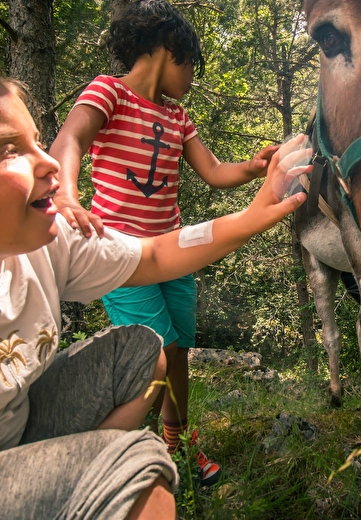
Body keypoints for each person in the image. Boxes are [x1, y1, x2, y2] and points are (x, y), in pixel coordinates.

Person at [0, 50, 311, 520]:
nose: (46, 162)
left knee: (143, 351)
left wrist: (252, 215)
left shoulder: (49, 244)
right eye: (8, 149)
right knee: (132, 470)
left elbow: (156, 251)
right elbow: (72, 138)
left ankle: (51, 491)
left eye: (34, 142)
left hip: (5, 439)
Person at [50, 0, 278, 486]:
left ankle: (178, 445)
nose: (192, 77)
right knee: (154, 351)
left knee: (178, 354)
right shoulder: (109, 92)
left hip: (174, 251)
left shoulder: (177, 117)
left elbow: (215, 172)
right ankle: (119, 456)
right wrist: (67, 195)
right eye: (191, 64)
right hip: (121, 257)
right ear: (167, 49)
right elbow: (70, 139)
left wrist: (255, 168)